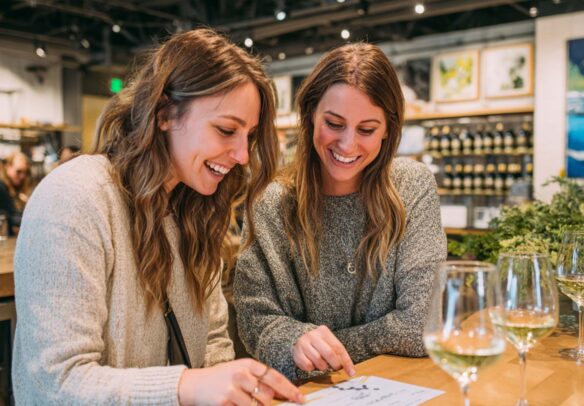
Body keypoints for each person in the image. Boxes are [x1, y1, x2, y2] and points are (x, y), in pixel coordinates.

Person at [12, 28, 303, 405]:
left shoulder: (193, 210)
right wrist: (186, 386)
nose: (242, 156)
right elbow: (56, 385)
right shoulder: (74, 199)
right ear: (165, 113)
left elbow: (213, 345)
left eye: (247, 135)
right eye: (226, 130)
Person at [234, 43, 447, 381]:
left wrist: (319, 349)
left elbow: (423, 323)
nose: (348, 145)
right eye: (334, 124)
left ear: (388, 131)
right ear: (309, 117)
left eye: (367, 130)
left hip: (399, 388)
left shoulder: (412, 187)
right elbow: (256, 321)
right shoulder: (270, 203)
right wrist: (291, 341)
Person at [0, 151, 31, 235]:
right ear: (8, 167)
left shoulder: (15, 189)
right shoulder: (2, 187)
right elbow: (12, 217)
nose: (22, 176)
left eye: (25, 172)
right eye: (19, 171)